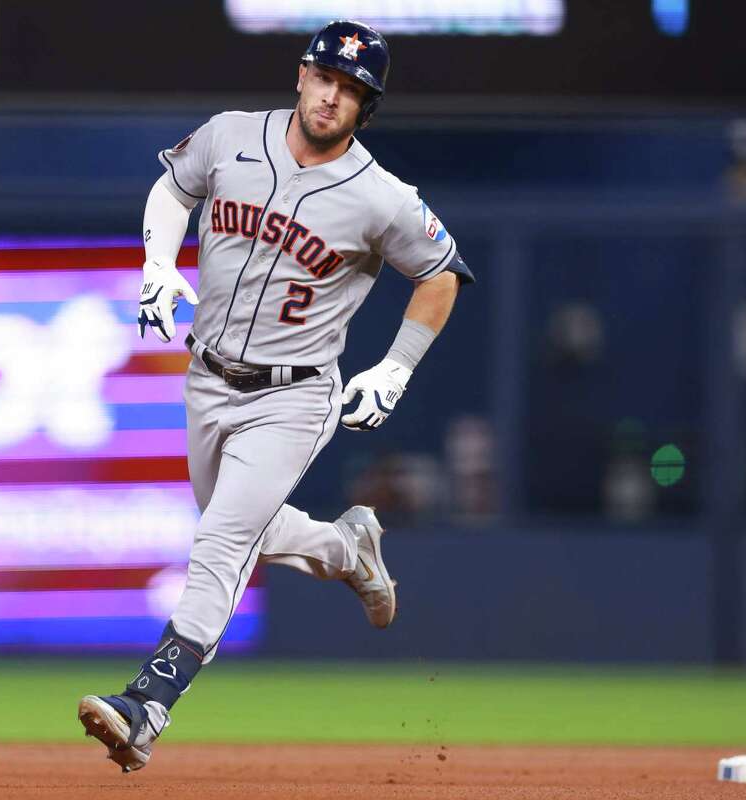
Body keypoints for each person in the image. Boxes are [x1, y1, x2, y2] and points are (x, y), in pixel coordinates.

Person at [78, 19, 475, 772]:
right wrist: (158, 264)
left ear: (366, 107)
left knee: (222, 539)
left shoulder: (381, 197)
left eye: (353, 90)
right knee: (240, 527)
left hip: (294, 396)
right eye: (326, 78)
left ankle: (147, 705)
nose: (333, 97)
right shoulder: (230, 135)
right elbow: (173, 187)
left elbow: (442, 272)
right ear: (301, 75)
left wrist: (395, 367)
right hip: (209, 377)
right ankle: (347, 548)